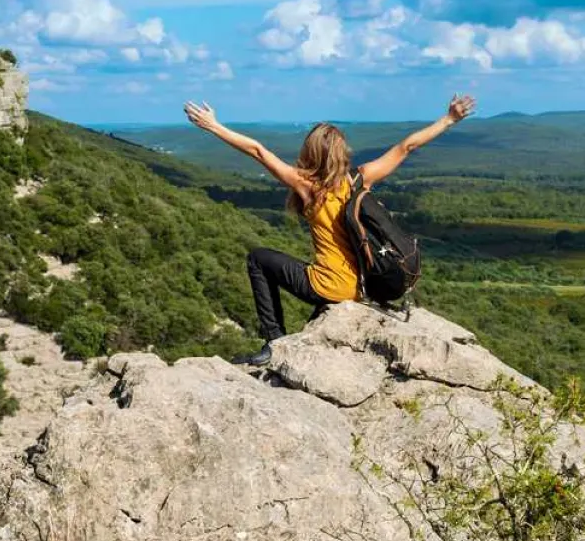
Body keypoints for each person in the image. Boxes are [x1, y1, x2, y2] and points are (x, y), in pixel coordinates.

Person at [183, 94, 477, 365]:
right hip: (357, 290)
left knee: (258, 259)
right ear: (342, 153)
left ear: (311, 153)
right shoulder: (359, 180)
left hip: (324, 286)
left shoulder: (308, 187)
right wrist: (449, 119)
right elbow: (406, 147)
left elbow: (258, 151)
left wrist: (213, 126)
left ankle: (274, 340)